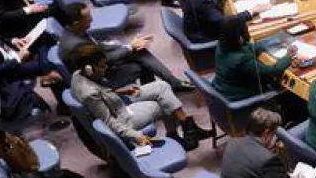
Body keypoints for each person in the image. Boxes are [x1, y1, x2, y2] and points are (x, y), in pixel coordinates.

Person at [68, 42, 212, 151]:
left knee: (162, 86)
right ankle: (176, 135)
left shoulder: (78, 74)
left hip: (117, 100)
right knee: (162, 104)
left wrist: (123, 91)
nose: (105, 69)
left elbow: (104, 94)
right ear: (89, 68)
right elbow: (109, 122)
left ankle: (188, 128)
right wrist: (136, 136)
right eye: (102, 66)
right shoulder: (89, 94)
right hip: (122, 117)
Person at [58, 2, 190, 92]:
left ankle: (171, 83)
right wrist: (129, 47)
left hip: (102, 63)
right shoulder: (76, 45)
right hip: (101, 78)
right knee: (143, 66)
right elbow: (104, 59)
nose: (91, 20)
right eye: (87, 18)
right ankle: (156, 92)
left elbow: (99, 48)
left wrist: (128, 46)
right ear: (76, 23)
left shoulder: (75, 31)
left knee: (139, 50)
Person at [214, 17, 293, 102]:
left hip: (223, 86)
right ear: (240, 38)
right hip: (238, 94)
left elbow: (249, 47)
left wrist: (276, 40)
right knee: (280, 87)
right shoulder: (242, 60)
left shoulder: (223, 44)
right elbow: (274, 70)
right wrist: (287, 57)